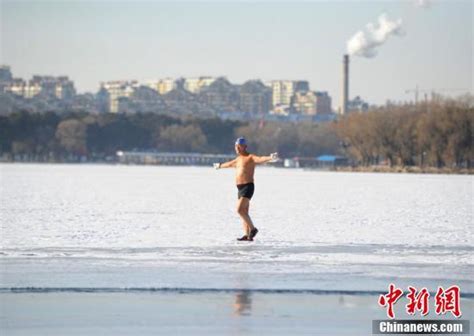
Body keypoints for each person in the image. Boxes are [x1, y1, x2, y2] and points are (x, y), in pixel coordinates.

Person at [214, 137, 278, 241]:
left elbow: (260, 158)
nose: (237, 148)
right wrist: (220, 166)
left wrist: (270, 158)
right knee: (245, 211)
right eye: (236, 146)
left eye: (239, 146)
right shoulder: (238, 159)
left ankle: (253, 229)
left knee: (239, 210)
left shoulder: (250, 157)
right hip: (240, 188)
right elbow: (229, 164)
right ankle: (247, 235)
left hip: (248, 186)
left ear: (245, 147)